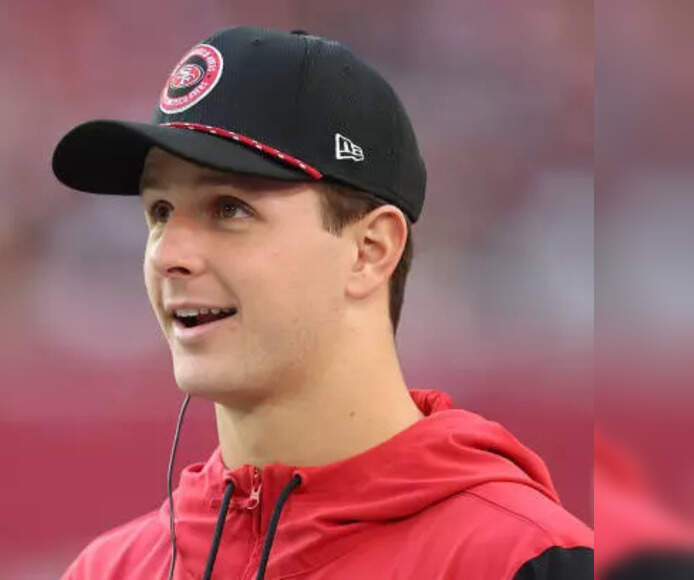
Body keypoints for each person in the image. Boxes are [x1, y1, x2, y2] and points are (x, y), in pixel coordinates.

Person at [51, 26, 592, 579]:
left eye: (229, 208)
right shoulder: (108, 570)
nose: (169, 255)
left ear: (369, 250)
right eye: (160, 211)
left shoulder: (524, 561)